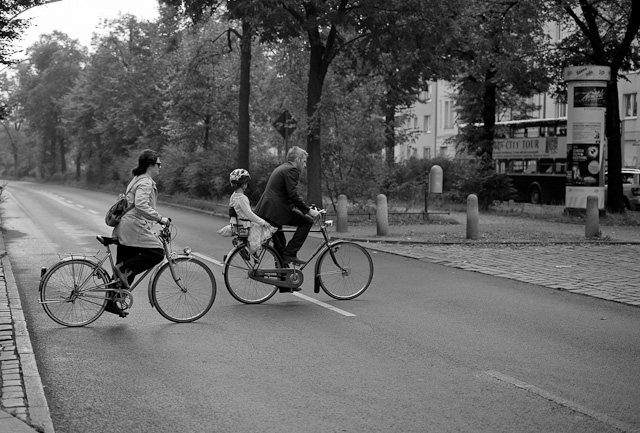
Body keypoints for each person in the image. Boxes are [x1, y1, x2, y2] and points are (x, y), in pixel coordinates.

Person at [108, 149, 170, 317]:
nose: (160, 167)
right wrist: (160, 219)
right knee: (157, 253)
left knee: (124, 273)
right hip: (133, 227)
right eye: (158, 164)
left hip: (125, 227)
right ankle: (123, 268)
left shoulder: (137, 179)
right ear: (150, 165)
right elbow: (141, 205)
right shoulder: (145, 182)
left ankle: (112, 302)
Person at [254, 146, 320, 266]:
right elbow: (293, 195)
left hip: (270, 210)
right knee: (307, 222)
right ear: (298, 159)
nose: (305, 165)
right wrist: (309, 211)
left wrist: (303, 208)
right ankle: (290, 254)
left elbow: (285, 194)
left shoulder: (283, 168)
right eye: (304, 161)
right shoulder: (291, 170)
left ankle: (283, 281)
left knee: (280, 247)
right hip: (275, 211)